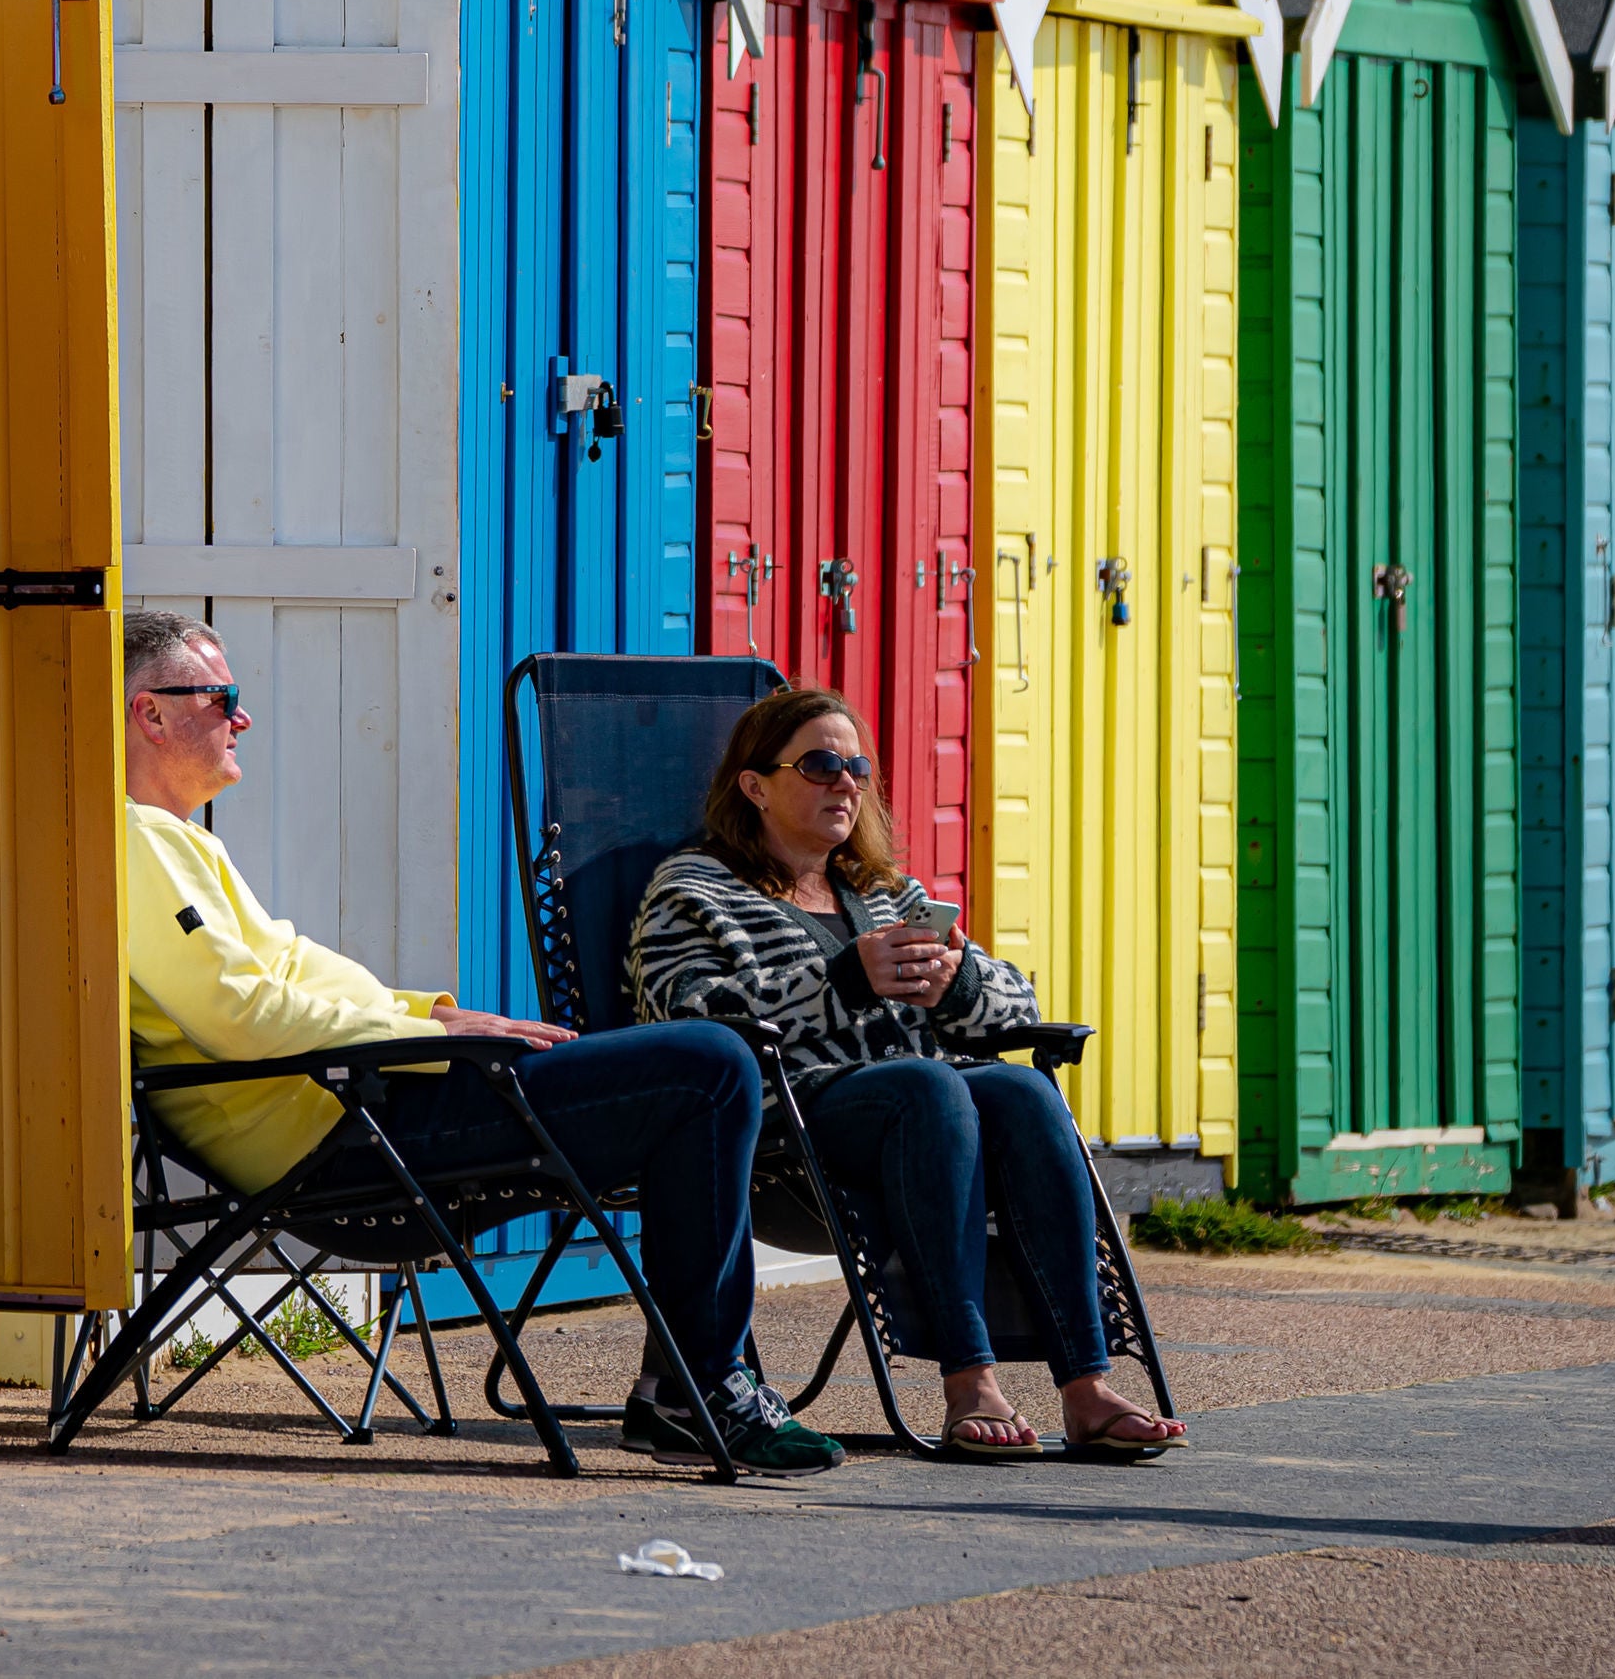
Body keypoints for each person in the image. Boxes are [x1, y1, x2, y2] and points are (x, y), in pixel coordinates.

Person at [117, 608, 841, 1471]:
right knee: (708, 1064)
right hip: (340, 1139)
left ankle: (689, 1383)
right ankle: (696, 1385)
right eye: (222, 695)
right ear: (149, 713)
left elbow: (289, 980)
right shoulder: (132, 842)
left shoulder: (176, 843)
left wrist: (439, 1015)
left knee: (701, 1074)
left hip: (369, 1104)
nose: (241, 716)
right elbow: (244, 1013)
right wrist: (427, 1033)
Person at [630, 685, 1184, 1458]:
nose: (846, 782)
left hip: (929, 1118)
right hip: (789, 1130)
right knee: (931, 1088)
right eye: (820, 763)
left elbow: (1016, 1001)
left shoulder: (885, 893)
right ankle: (970, 1381)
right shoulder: (693, 891)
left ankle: (1086, 1386)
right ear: (754, 785)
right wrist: (842, 981)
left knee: (1020, 1088)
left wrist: (954, 984)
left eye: (857, 764)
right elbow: (687, 1024)